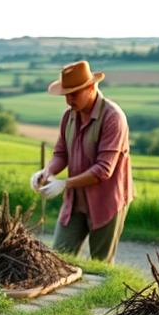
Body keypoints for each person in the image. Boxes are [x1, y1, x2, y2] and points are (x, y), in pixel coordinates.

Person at [30, 60, 133, 263]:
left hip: (106, 201)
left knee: (100, 265)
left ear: (91, 88)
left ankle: (100, 296)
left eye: (74, 93)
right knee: (59, 259)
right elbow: (61, 153)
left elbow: (104, 170)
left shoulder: (113, 117)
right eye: (66, 94)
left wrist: (65, 183)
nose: (68, 100)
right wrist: (47, 172)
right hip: (75, 201)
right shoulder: (69, 116)